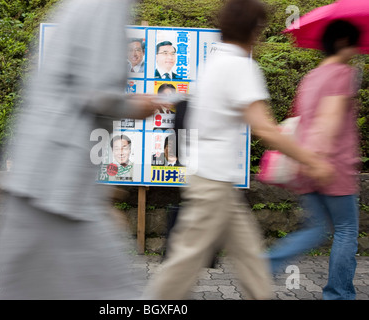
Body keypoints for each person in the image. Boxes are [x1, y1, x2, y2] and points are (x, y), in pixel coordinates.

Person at [143, 0, 334, 300]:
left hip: (214, 179)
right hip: (213, 182)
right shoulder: (240, 67)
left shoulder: (215, 62)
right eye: (260, 28)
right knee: (184, 263)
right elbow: (264, 128)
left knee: (249, 257)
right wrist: (311, 160)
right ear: (253, 30)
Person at [0, 0, 162, 299]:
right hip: (59, 185)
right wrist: (139, 105)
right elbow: (98, 93)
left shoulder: (78, 5)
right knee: (115, 291)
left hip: (37, 176)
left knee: (16, 288)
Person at [266, 19, 362, 300]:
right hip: (331, 166)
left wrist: (309, 161)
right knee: (346, 230)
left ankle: (267, 262)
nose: (357, 50)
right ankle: (339, 294)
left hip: (305, 162)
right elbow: (329, 121)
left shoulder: (312, 76)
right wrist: (321, 161)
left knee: (317, 229)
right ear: (343, 42)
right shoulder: (343, 74)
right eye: (354, 43)